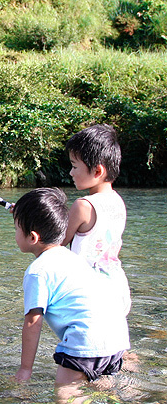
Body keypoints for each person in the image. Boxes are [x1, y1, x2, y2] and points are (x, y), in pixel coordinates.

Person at [12, 187, 130, 386]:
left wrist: (25, 369)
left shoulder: (37, 271)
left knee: (66, 399)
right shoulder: (73, 259)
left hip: (86, 341)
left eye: (16, 228)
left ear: (33, 237)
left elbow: (33, 322)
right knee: (103, 395)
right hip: (116, 338)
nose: (15, 233)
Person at [63, 124, 131, 315]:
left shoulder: (83, 205)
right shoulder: (118, 202)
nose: (71, 172)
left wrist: (28, 217)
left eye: (75, 166)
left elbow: (56, 242)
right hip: (117, 288)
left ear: (98, 171)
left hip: (90, 293)